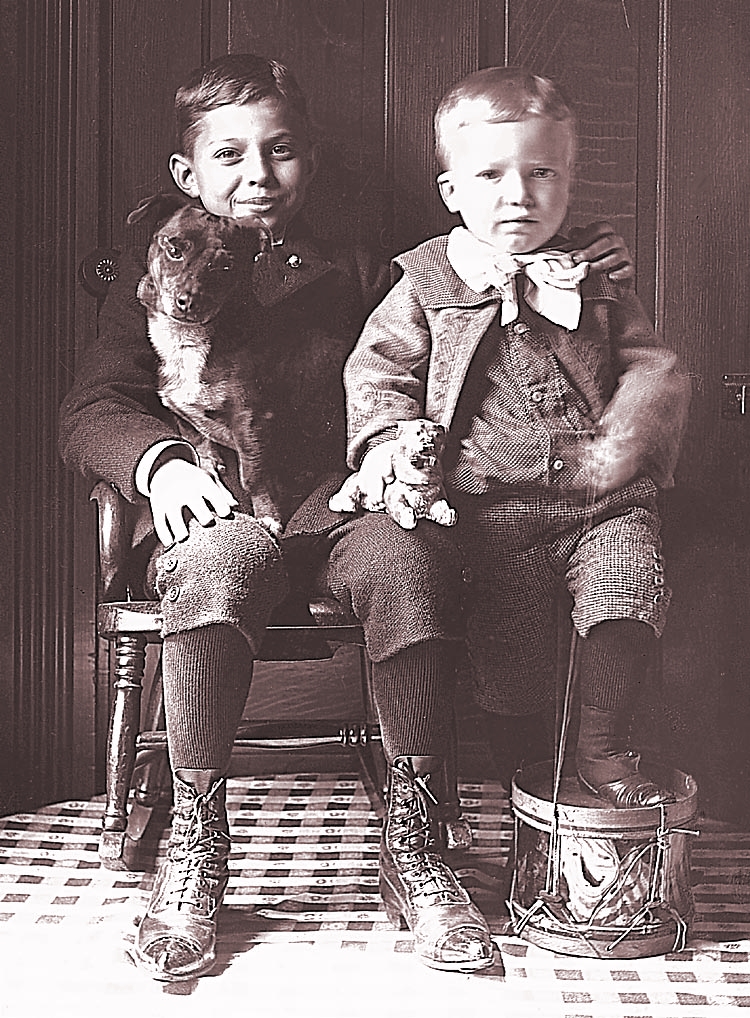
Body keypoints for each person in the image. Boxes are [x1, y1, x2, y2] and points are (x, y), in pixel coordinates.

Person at [59, 53, 637, 981]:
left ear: (310, 163)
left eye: (280, 152)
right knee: (214, 565)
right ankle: (195, 841)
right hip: (216, 498)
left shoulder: (371, 264)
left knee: (408, 565)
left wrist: (584, 256)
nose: (258, 176)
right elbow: (93, 408)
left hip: (344, 501)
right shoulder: (159, 269)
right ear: (187, 172)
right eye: (231, 156)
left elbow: (481, 271)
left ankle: (415, 842)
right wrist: (156, 465)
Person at [334, 66, 690, 810]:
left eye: (541, 173)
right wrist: (393, 443)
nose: (519, 195)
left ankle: (602, 747)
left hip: (606, 503)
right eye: (491, 175)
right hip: (497, 516)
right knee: (512, 658)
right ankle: (527, 778)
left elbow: (652, 364)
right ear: (453, 192)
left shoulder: (594, 275)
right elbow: (379, 371)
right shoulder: (428, 281)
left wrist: (628, 432)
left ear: (570, 179)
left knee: (628, 600)